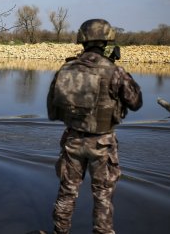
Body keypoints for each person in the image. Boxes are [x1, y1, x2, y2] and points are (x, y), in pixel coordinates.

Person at [46, 19, 143, 234]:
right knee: (102, 195)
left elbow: (52, 111)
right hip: (102, 143)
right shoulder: (114, 71)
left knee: (67, 191)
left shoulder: (66, 69)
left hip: (72, 140)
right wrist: (122, 72)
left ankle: (59, 231)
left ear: (82, 40)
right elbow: (136, 102)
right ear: (106, 41)